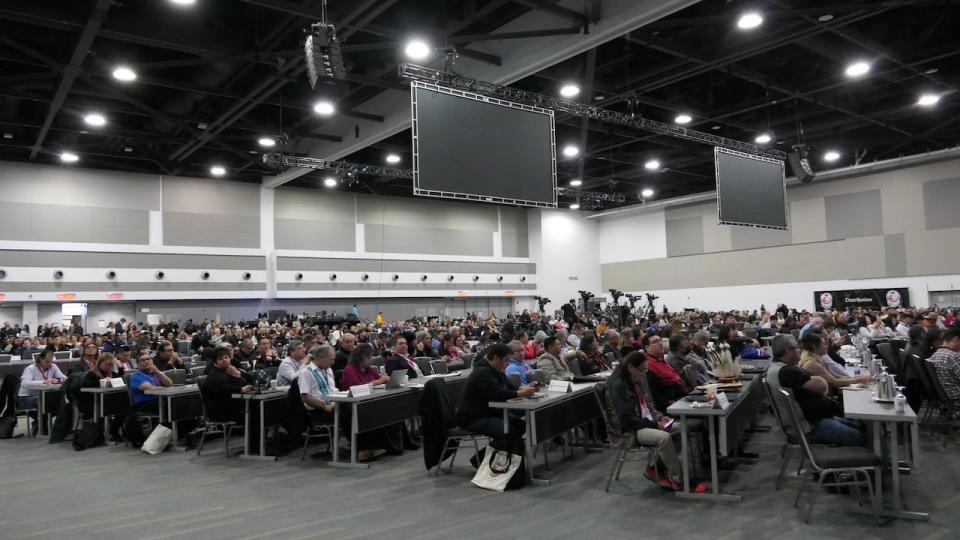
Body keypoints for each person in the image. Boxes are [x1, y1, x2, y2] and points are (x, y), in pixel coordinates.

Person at [606, 351, 705, 492]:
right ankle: (680, 480)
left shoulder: (635, 381)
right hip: (628, 431)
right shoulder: (618, 387)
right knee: (664, 437)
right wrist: (654, 424)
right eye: (642, 370)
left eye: (646, 370)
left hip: (643, 423)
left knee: (680, 429)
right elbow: (626, 419)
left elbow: (646, 405)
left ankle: (656, 467)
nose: (644, 373)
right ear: (630, 367)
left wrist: (659, 417)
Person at [777, 335, 865, 446]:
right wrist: (859, 380)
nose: (800, 350)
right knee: (863, 438)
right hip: (813, 426)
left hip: (818, 419)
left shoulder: (787, 368)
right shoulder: (790, 370)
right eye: (797, 348)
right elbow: (824, 385)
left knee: (861, 427)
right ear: (788, 351)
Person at [457, 343, 536, 449]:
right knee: (509, 431)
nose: (508, 364)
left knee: (520, 425)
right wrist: (521, 393)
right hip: (473, 418)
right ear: (496, 358)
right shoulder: (482, 372)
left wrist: (525, 388)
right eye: (506, 360)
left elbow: (509, 386)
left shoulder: (497, 369)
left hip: (490, 413)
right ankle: (486, 459)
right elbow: (498, 394)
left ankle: (509, 456)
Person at [798, 333, 868, 392]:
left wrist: (854, 379)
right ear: (814, 346)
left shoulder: (816, 356)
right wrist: (858, 380)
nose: (827, 346)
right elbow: (834, 382)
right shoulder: (812, 364)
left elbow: (836, 376)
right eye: (824, 344)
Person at [17, 349, 65, 433]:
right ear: (40, 359)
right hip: (26, 397)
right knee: (45, 402)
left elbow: (63, 378)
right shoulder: (30, 368)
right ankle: (43, 428)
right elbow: (24, 383)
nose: (49, 364)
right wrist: (42, 382)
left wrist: (58, 380)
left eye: (51, 361)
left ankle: (40, 424)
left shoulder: (53, 366)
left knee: (60, 401)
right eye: (47, 362)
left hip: (44, 394)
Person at [202, 348, 253, 424]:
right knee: (253, 412)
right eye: (220, 359)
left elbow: (249, 380)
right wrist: (241, 389)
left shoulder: (229, 370)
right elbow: (223, 389)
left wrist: (239, 374)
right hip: (220, 410)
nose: (224, 360)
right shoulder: (215, 374)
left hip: (231, 404)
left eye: (226, 357)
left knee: (255, 407)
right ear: (216, 362)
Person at [641, 333, 688, 411]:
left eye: (660, 340)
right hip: (673, 406)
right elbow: (654, 395)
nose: (660, 343)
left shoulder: (660, 360)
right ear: (647, 347)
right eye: (655, 342)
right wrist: (673, 404)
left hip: (683, 398)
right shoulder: (648, 366)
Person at [927, 328, 960, 406]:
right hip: (955, 395)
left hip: (943, 395)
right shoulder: (953, 356)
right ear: (956, 339)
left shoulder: (935, 354)